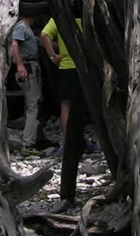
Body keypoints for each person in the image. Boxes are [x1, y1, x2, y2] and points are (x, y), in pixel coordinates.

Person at [40, 13, 98, 208]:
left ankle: (67, 142)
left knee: (66, 106)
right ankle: (94, 141)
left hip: (66, 66)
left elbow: (44, 36)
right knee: (93, 104)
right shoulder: (88, 16)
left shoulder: (58, 18)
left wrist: (52, 56)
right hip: (87, 66)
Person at [10, 13, 42, 149]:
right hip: (28, 68)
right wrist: (20, 65)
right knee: (33, 106)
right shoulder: (21, 26)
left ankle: (34, 137)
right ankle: (28, 143)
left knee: (31, 105)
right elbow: (14, 44)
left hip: (30, 68)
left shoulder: (27, 29)